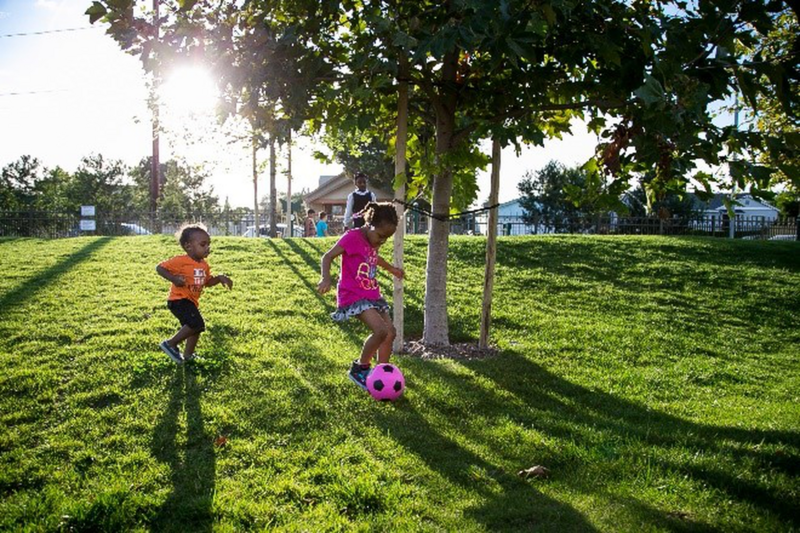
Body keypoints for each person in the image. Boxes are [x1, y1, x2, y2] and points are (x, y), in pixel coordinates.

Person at [317, 202, 404, 390]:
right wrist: (326, 278)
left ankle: (382, 374)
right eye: (380, 236)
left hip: (372, 293)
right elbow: (327, 256)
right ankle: (359, 369)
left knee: (390, 333)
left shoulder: (374, 241)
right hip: (353, 295)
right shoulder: (352, 237)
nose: (381, 242)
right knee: (380, 331)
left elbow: (374, 258)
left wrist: (391, 269)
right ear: (369, 224)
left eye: (386, 239)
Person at [156, 223, 233, 363]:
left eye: (208, 244)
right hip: (178, 300)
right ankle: (170, 344)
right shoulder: (181, 260)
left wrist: (220, 278)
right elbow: (160, 268)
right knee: (196, 323)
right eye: (203, 244)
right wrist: (174, 278)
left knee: (196, 328)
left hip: (191, 302)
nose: (207, 248)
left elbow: (207, 282)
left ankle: (188, 356)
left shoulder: (204, 265)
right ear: (188, 246)